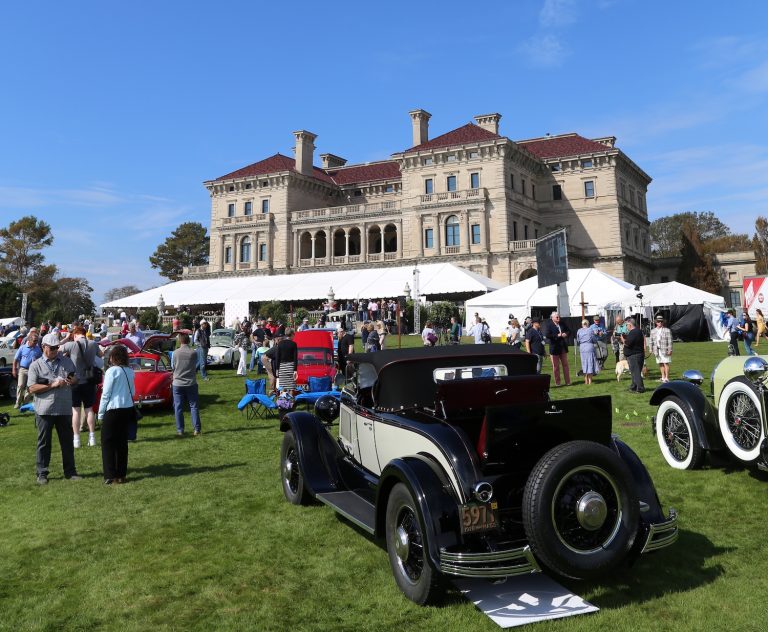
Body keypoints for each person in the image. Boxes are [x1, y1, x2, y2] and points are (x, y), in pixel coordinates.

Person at [28, 333, 82, 484]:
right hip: (44, 410)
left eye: (57, 347)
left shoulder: (66, 361)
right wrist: (52, 385)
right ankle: (42, 473)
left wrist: (74, 380)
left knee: (67, 442)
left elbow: (75, 377)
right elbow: (32, 388)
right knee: (44, 443)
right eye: (52, 348)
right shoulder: (35, 365)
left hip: (64, 408)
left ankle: (70, 471)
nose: (55, 350)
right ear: (43, 347)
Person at [97, 344, 134, 484]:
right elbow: (134, 392)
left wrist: (101, 413)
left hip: (113, 409)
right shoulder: (130, 371)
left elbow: (106, 394)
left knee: (107, 443)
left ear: (114, 357)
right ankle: (121, 475)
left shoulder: (112, 371)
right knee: (122, 444)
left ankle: (110, 475)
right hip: (127, 409)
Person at [61, 326, 103, 447]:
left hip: (75, 381)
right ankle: (92, 437)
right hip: (89, 381)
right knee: (89, 410)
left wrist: (66, 338)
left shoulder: (72, 344)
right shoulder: (93, 343)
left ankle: (76, 440)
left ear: (75, 335)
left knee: (76, 411)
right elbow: (101, 354)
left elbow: (56, 348)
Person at [171, 332, 202, 436]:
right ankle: (196, 429)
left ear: (180, 340)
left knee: (178, 407)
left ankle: (180, 430)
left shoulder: (175, 353)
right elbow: (196, 365)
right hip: (190, 382)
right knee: (193, 406)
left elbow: (173, 367)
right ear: (188, 341)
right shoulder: (193, 353)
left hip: (178, 383)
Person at [12, 330, 42, 408]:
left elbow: (41, 359)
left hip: (33, 371)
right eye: (34, 341)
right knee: (20, 385)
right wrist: (14, 369)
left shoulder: (38, 349)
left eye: (37, 341)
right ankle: (18, 403)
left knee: (30, 387)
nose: (36, 342)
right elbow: (15, 359)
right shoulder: (22, 348)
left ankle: (25, 404)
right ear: (29, 340)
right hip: (23, 369)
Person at [544, 312, 571, 386]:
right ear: (552, 318)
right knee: (556, 367)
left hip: (563, 347)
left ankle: (568, 382)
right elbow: (547, 335)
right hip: (554, 348)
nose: (558, 318)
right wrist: (557, 335)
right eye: (557, 317)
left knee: (565, 365)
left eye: (559, 317)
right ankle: (558, 383)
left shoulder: (562, 323)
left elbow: (569, 331)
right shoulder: (549, 325)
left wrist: (566, 334)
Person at [623, 317, 646, 393]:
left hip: (635, 355)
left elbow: (628, 343)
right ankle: (634, 386)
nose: (626, 327)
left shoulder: (634, 332)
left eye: (627, 325)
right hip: (636, 355)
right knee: (634, 372)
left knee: (636, 372)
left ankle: (640, 388)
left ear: (630, 325)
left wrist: (623, 340)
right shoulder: (637, 331)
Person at [650, 315, 673, 382]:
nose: (660, 322)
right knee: (660, 363)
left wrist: (670, 350)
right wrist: (651, 349)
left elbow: (670, 341)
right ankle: (663, 377)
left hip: (665, 349)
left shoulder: (667, 330)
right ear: (656, 322)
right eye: (658, 321)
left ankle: (667, 378)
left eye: (661, 321)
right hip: (657, 350)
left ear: (663, 322)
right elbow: (651, 341)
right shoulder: (653, 331)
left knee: (666, 363)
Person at [576, 319, 598, 385]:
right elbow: (594, 339)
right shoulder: (590, 330)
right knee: (590, 363)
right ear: (588, 324)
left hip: (582, 348)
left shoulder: (579, 331)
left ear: (582, 324)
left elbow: (578, 340)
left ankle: (586, 381)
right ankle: (590, 381)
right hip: (589, 347)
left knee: (584, 364)